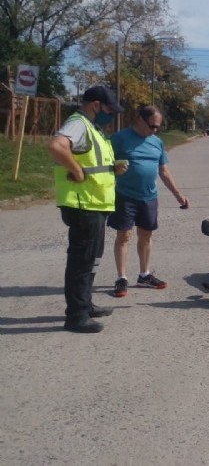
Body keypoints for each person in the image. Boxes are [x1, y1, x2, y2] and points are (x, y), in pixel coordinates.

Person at [49, 85, 126, 333]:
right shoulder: (78, 123)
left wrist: (113, 168)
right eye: (108, 109)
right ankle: (76, 316)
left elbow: (94, 162)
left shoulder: (94, 128)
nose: (111, 114)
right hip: (83, 205)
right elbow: (57, 146)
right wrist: (76, 169)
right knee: (81, 261)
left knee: (92, 259)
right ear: (96, 105)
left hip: (96, 204)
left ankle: (86, 304)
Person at [108, 104, 189, 298]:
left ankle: (144, 275)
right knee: (124, 236)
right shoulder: (119, 139)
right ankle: (121, 278)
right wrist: (113, 169)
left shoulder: (157, 143)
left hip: (149, 197)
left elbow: (164, 171)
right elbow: (104, 164)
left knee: (146, 237)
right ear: (139, 119)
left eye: (157, 127)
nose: (154, 130)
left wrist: (179, 195)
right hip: (124, 195)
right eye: (152, 126)